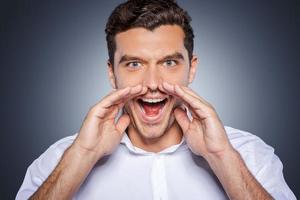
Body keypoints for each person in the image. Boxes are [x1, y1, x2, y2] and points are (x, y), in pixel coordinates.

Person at [16, 0, 296, 199]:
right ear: (112, 73)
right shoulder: (60, 160)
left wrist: (221, 157)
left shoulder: (249, 155)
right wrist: (82, 156)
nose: (152, 84)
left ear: (192, 68)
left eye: (169, 62)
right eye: (134, 64)